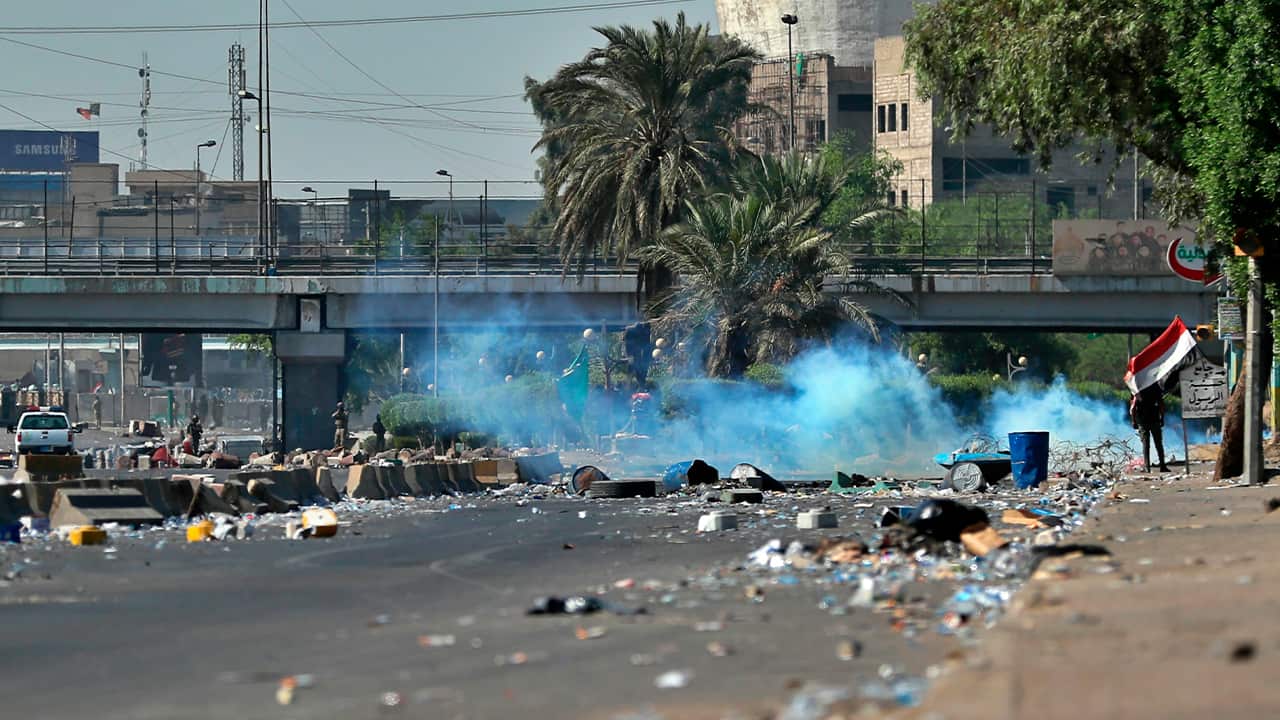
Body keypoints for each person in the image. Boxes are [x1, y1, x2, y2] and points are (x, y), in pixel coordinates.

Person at [1130, 384, 1169, 472]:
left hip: (1142, 422)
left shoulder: (1137, 389)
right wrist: (1162, 418)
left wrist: (1133, 421)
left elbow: (1133, 408)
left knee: (1145, 445)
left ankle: (1147, 467)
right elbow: (1161, 405)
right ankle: (1162, 466)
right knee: (1159, 444)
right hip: (1155, 420)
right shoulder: (1155, 388)